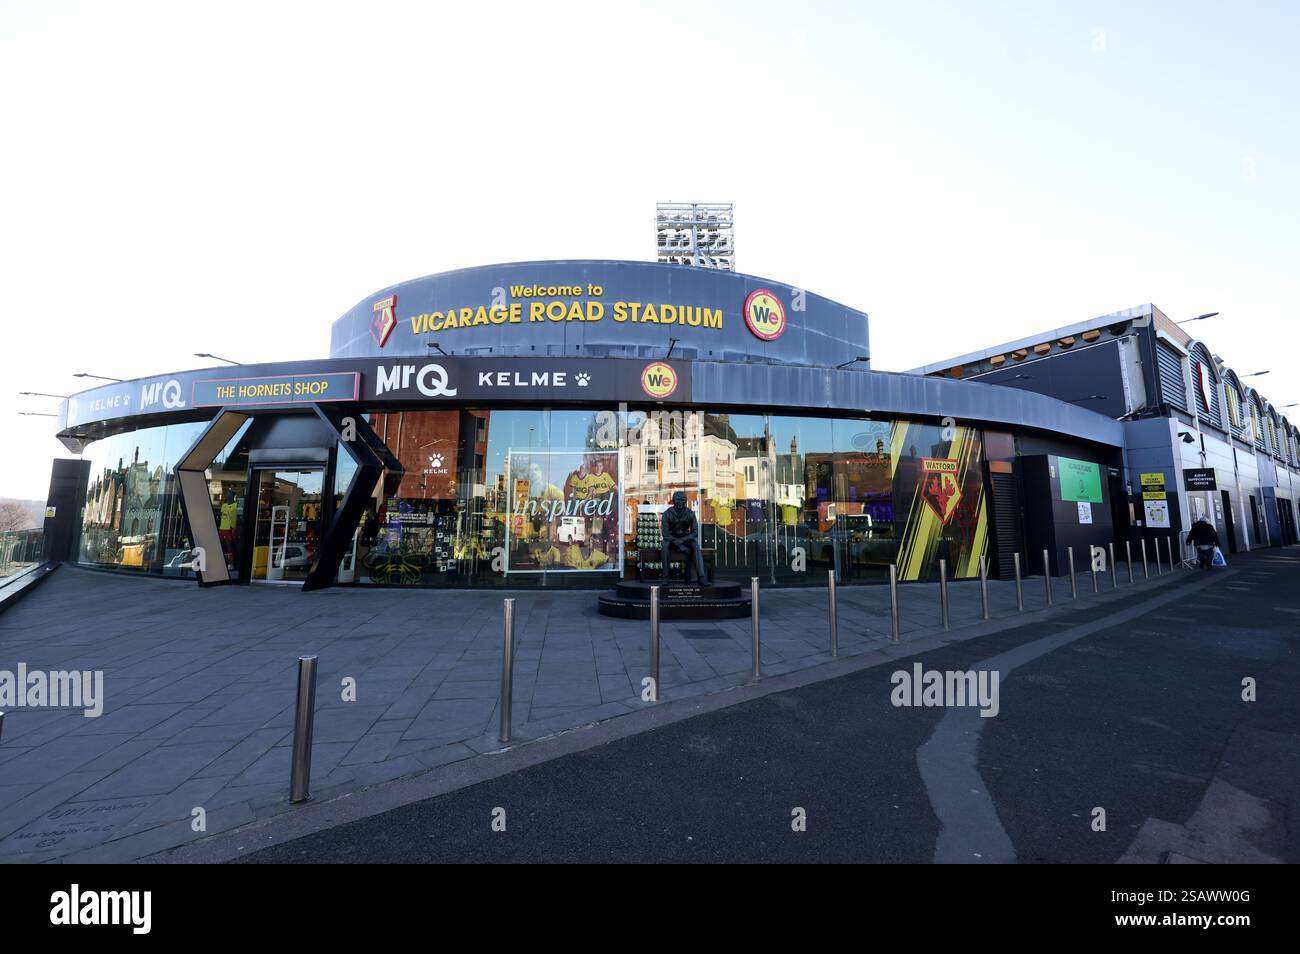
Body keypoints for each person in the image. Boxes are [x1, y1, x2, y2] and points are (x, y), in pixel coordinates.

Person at [661, 490, 707, 583]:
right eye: (678, 499)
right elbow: (665, 534)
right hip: (671, 540)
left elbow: (695, 532)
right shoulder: (667, 514)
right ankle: (665, 576)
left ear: (685, 501)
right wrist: (679, 545)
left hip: (685, 539)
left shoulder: (690, 513)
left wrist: (682, 541)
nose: (680, 502)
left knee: (695, 545)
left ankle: (701, 577)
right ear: (673, 501)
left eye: (682, 500)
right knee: (665, 545)